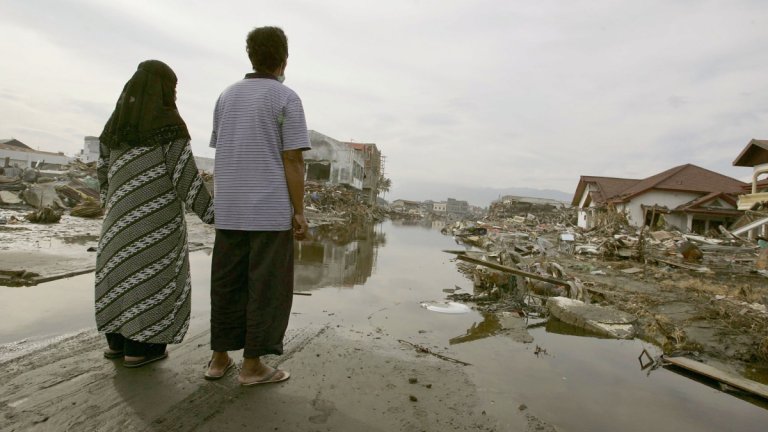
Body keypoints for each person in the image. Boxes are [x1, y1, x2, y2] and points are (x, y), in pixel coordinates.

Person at [205, 26, 310, 385]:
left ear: (250, 57)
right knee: (266, 289)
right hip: (268, 212)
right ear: (283, 60)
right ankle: (252, 367)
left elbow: (223, 149)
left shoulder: (226, 97)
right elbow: (293, 160)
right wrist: (299, 211)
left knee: (226, 284)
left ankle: (218, 359)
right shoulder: (286, 99)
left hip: (230, 209)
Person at [95, 60, 214, 368]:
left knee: (119, 277)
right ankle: (140, 349)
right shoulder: (170, 130)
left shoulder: (113, 130)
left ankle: (116, 344)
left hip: (116, 225)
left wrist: (115, 205)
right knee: (150, 282)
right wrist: (215, 215)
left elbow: (103, 176)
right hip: (156, 226)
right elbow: (187, 182)